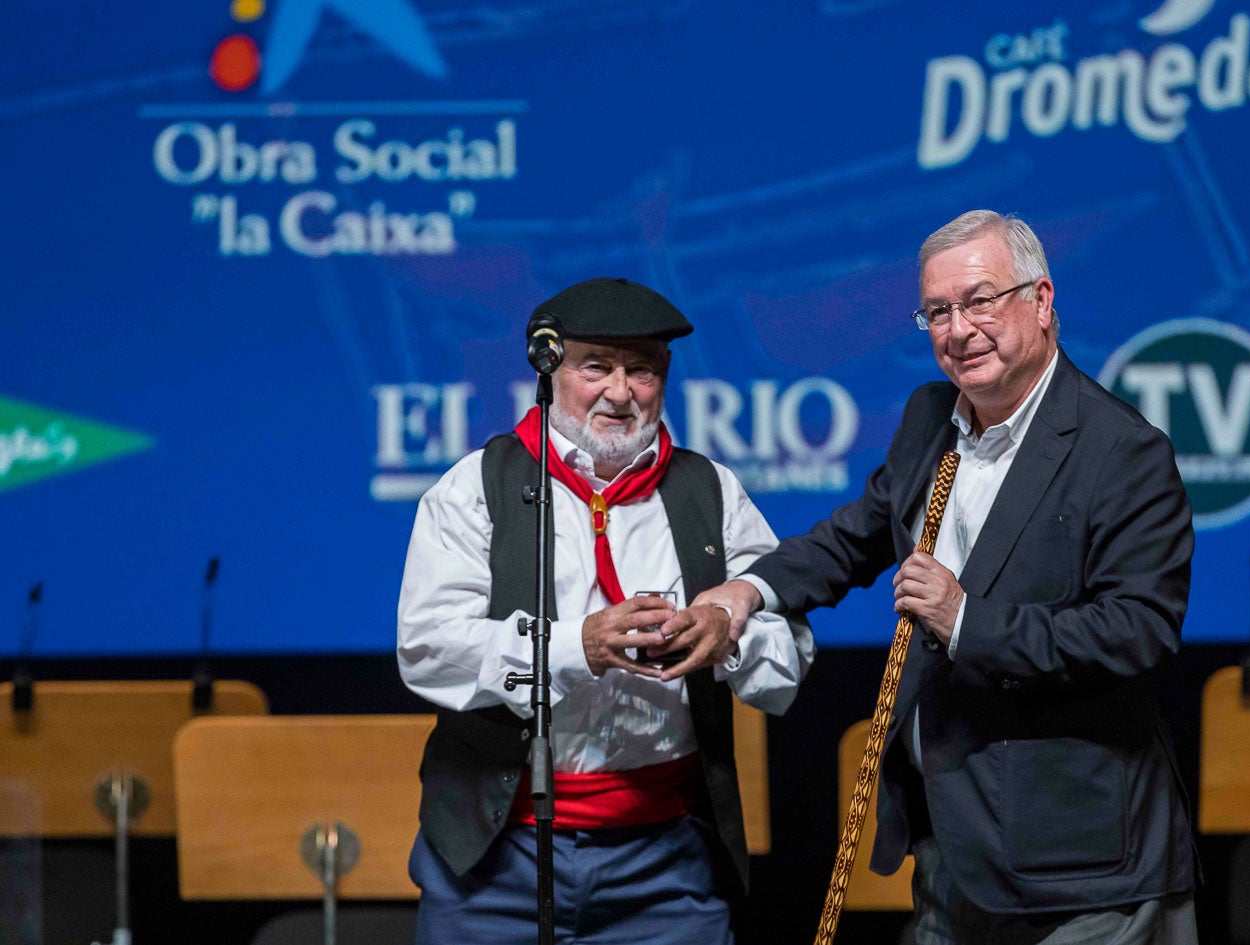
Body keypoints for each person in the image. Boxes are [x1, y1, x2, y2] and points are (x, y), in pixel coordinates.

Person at [698, 211, 1198, 943]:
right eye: (937, 311)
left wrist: (966, 618)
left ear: (1041, 300)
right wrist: (751, 589)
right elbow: (855, 534)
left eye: (980, 300)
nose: (958, 328)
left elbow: (1137, 630)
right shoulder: (929, 415)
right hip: (954, 848)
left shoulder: (1121, 450)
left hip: (1087, 869)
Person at [397, 276, 813, 945]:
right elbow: (426, 648)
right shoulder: (475, 487)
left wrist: (725, 635)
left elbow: (789, 656)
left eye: (641, 370)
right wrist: (577, 645)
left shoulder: (710, 490)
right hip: (496, 861)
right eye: (596, 367)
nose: (620, 392)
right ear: (552, 369)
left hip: (666, 866)